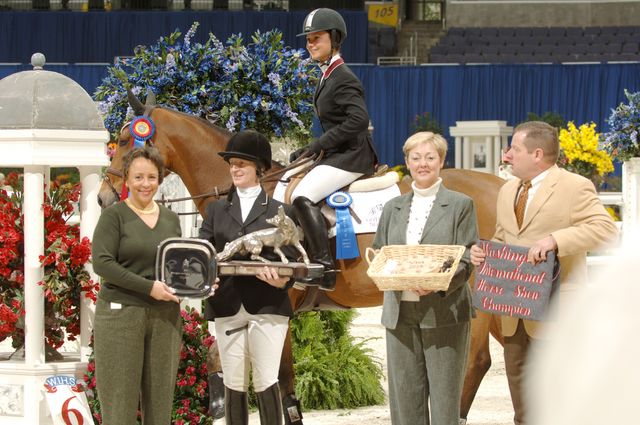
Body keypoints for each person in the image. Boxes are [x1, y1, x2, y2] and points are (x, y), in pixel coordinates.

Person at [469, 121, 618, 425]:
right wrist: (484, 251)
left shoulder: (574, 186)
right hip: (514, 313)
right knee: (523, 407)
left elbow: (605, 231)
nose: (507, 155)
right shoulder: (508, 189)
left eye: (514, 148)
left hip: (558, 312)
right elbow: (502, 237)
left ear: (537, 154)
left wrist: (556, 240)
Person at [372, 132, 478, 425]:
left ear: (441, 161)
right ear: (406, 162)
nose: (422, 164)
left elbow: (467, 257)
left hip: (444, 311)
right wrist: (391, 275)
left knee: (445, 400)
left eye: (430, 157)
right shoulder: (392, 208)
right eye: (415, 158)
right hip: (399, 312)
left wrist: (436, 282)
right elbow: (379, 251)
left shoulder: (461, 205)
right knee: (405, 399)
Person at [199, 130, 295, 425]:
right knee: (233, 381)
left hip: (267, 304)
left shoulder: (280, 211)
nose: (236, 169)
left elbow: (291, 260)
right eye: (232, 164)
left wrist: (283, 281)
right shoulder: (215, 210)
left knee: (266, 378)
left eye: (242, 163)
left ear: (258, 168)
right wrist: (206, 279)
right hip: (227, 304)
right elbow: (203, 252)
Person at [288, 7, 379, 291]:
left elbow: (358, 120)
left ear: (335, 39)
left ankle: (325, 267)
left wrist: (319, 145)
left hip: (352, 156)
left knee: (302, 196)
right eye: (308, 39)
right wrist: (310, 150)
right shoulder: (328, 74)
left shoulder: (343, 76)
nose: (310, 44)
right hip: (337, 153)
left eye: (316, 38)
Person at [92, 146, 183, 424]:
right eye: (139, 177)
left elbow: (178, 266)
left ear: (161, 179)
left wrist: (201, 284)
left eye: (152, 177)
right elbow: (103, 264)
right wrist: (148, 288)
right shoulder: (114, 216)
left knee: (160, 405)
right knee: (119, 406)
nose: (146, 184)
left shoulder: (171, 219)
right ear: (128, 180)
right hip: (121, 316)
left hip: (165, 317)